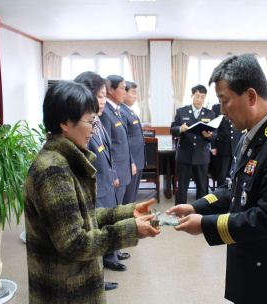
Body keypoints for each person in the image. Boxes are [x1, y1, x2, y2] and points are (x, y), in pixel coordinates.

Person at [168, 54, 267, 304]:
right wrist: (197, 206)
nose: (222, 111)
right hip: (253, 260)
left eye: (225, 101)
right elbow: (236, 188)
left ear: (251, 96)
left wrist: (205, 225)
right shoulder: (252, 134)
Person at [24, 80, 159, 304]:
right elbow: (75, 243)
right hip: (66, 291)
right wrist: (130, 230)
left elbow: (83, 217)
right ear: (66, 123)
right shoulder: (53, 171)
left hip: (75, 283)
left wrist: (128, 212)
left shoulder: (65, 159)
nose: (94, 129)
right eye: (90, 121)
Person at [74, 72, 123, 290]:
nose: (103, 101)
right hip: (95, 189)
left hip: (105, 183)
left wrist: (112, 176)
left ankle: (102, 268)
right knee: (94, 236)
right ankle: (96, 279)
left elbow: (105, 152)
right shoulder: (82, 126)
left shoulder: (98, 120)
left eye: (104, 96)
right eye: (99, 96)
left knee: (103, 230)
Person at [170, 84, 216, 205]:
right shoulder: (181, 111)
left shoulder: (210, 114)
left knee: (202, 186)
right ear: (192, 96)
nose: (200, 100)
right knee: (182, 186)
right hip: (185, 154)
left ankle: (200, 211)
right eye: (197, 96)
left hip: (202, 155)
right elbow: (172, 129)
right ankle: (179, 211)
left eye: (203, 97)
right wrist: (180, 128)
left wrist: (210, 135)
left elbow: (216, 133)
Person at [120, 81, 145, 205]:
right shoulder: (122, 111)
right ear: (124, 93)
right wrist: (131, 162)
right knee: (129, 197)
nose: (135, 96)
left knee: (134, 195)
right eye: (133, 93)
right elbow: (123, 140)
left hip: (137, 159)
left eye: (136, 93)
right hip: (131, 161)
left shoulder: (130, 110)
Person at [210, 102, 244, 186]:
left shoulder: (240, 105)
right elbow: (213, 128)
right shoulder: (216, 108)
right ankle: (220, 195)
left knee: (237, 173)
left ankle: (234, 194)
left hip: (237, 144)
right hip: (223, 145)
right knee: (222, 173)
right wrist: (213, 146)